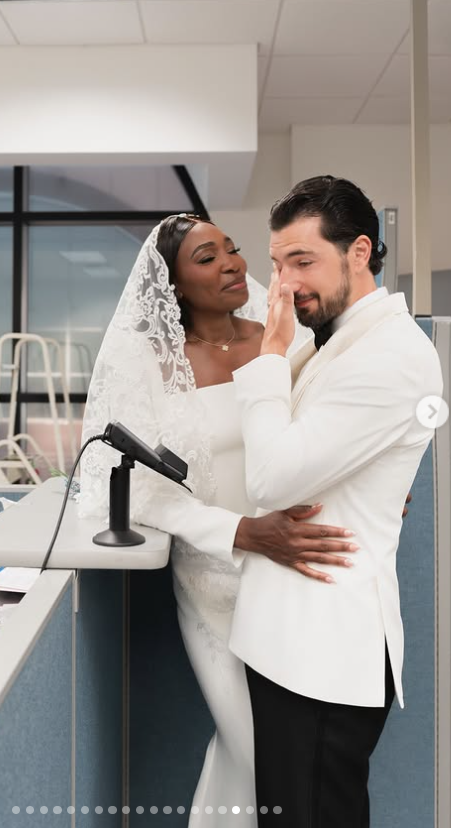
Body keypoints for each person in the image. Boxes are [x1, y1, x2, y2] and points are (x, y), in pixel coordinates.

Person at [79, 213, 359, 825]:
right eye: (206, 258)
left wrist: (365, 488)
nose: (232, 264)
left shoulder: (284, 342)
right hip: (214, 582)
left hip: (297, 573)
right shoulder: (151, 365)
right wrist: (241, 532)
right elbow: (134, 491)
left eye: (231, 250)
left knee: (293, 757)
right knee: (255, 748)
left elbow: (329, 438)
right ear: (173, 284)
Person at [229, 175, 443, 827]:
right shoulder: (337, 342)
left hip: (323, 655)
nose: (285, 283)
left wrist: (267, 358)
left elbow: (270, 478)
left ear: (359, 252)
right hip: (293, 646)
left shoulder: (391, 358)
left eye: (302, 261)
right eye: (276, 263)